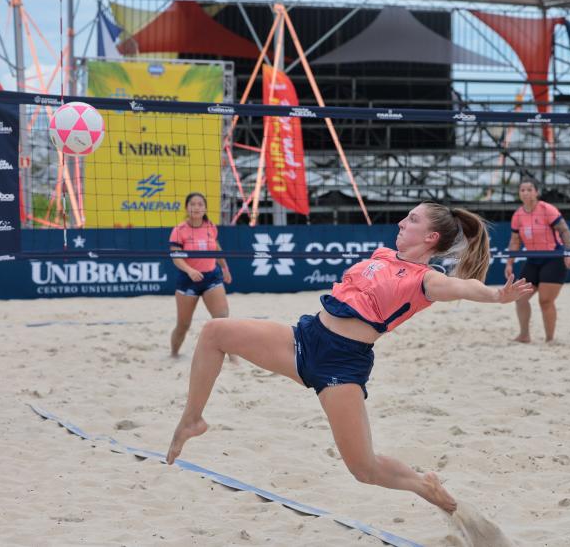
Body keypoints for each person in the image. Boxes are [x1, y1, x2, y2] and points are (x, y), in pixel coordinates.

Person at [165, 202, 534, 512]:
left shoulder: (426, 280)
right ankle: (192, 420)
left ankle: (426, 486)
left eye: (413, 220)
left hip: (341, 366)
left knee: (363, 468)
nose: (402, 222)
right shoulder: (384, 255)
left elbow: (464, 286)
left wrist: (496, 297)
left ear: (431, 238)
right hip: (305, 338)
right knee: (215, 332)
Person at [504, 177, 570, 343]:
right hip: (533, 259)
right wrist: (509, 263)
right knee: (520, 298)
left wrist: (569, 252)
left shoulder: (547, 209)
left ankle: (550, 339)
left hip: (554, 258)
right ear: (519, 193)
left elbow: (565, 231)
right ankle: (524, 335)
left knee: (545, 300)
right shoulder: (518, 215)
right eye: (522, 190)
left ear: (536, 192)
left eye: (530, 189)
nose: (526, 192)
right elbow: (515, 241)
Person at [169, 192, 233, 357]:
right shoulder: (179, 230)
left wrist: (225, 268)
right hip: (188, 281)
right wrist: (190, 270)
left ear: (205, 208)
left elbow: (216, 249)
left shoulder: (210, 226)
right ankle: (174, 353)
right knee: (183, 325)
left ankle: (233, 356)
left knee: (223, 319)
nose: (196, 207)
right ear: (186, 208)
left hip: (211, 277)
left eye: (200, 204)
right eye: (193, 204)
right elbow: (176, 257)